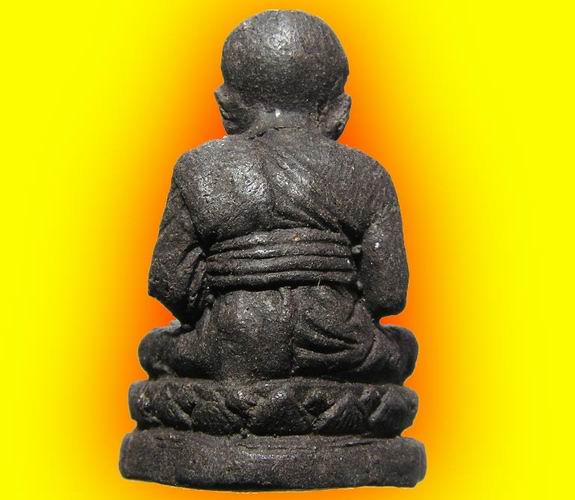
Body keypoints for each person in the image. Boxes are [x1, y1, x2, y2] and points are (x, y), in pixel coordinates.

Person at [139, 10, 417, 385]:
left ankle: (235, 393)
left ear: (226, 103)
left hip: (230, 340)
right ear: (339, 108)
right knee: (403, 347)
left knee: (154, 349)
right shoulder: (367, 174)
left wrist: (219, 312)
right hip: (340, 342)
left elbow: (169, 281)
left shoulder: (199, 169)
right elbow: (388, 295)